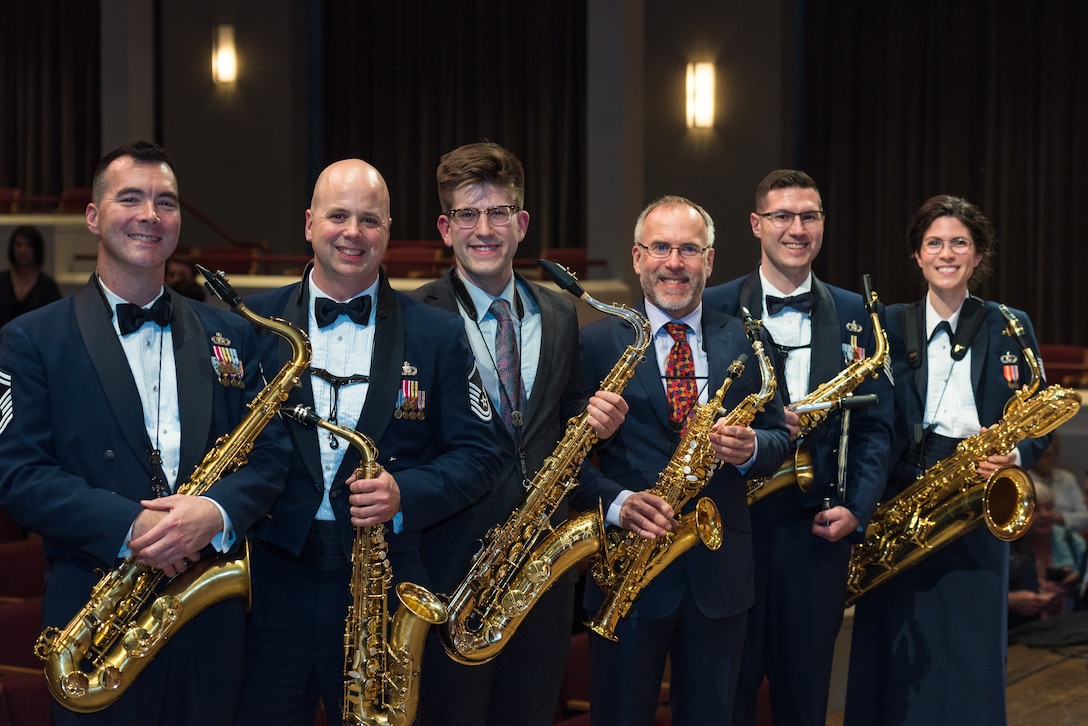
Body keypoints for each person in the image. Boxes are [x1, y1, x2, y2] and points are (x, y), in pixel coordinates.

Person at [0, 140, 290, 724]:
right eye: (130, 198)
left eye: (166, 202)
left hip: (210, 621)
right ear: (93, 216)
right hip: (97, 613)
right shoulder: (30, 339)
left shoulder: (232, 332)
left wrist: (216, 513)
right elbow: (17, 474)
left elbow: (271, 455)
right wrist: (129, 525)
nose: (150, 215)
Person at [234, 158, 502, 726]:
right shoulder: (250, 326)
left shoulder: (439, 334)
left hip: (382, 587)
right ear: (309, 224)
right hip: (270, 586)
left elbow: (481, 454)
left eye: (369, 220)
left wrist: (404, 492)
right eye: (338, 216)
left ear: (388, 232)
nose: (353, 232)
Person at [407, 141, 628, 726]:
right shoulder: (415, 317)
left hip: (542, 571)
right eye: (468, 214)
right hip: (452, 569)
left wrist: (598, 417)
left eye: (498, 212)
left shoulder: (558, 312)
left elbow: (569, 412)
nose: (484, 229)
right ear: (445, 227)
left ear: (522, 223)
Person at [576, 195, 790, 725]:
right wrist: (617, 503)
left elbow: (781, 439)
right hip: (627, 572)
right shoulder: (593, 345)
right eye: (662, 248)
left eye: (689, 249)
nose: (675, 262)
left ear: (710, 261)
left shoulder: (748, 340)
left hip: (719, 576)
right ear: (637, 257)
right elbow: (561, 463)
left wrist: (754, 449)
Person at [844, 195, 1051, 726]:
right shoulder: (887, 323)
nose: (946, 252)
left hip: (980, 495)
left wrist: (1017, 454)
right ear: (917, 254)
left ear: (978, 254)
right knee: (891, 647)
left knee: (970, 652)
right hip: (900, 495)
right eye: (934, 242)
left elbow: (1040, 418)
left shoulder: (1010, 324)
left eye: (959, 242)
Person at [702, 169, 893, 726]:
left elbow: (879, 428)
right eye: (783, 216)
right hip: (729, 531)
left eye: (809, 216)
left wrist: (858, 508)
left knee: (805, 701)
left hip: (815, 535)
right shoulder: (712, 304)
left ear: (823, 225)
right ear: (757, 224)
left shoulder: (858, 313)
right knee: (725, 694)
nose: (797, 228)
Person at [1008, 482, 1088, 629]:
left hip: (1071, 628)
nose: (1044, 514)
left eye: (1049, 508)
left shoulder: (1072, 541)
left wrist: (1077, 581)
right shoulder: (1007, 548)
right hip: (1019, 631)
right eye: (1037, 510)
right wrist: (1010, 600)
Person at [0, 224, 62, 329]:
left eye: (28, 245)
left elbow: (56, 321)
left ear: (36, 250)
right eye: (18, 245)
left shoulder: (47, 286)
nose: (22, 250)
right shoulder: (1, 281)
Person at [1031, 434, 1088, 535]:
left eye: (1050, 448)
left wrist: (1060, 518)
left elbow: (1086, 516)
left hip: (1068, 541)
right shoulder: (1022, 481)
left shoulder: (1067, 479)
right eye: (1042, 451)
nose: (1047, 451)